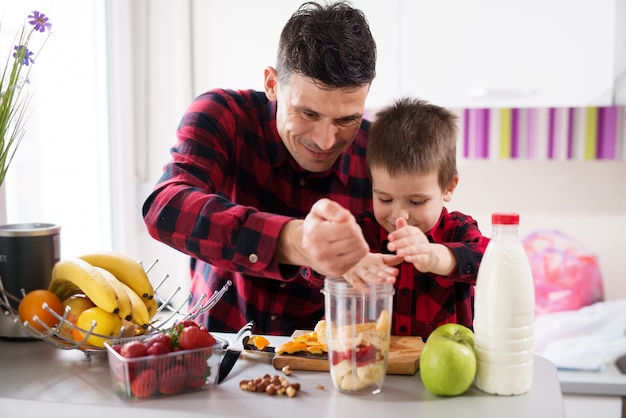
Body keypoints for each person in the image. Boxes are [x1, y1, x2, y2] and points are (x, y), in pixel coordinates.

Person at [142, 1, 377, 335]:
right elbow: (165, 207)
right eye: (307, 114)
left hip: (320, 369)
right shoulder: (224, 115)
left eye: (347, 120)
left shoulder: (378, 155)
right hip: (214, 347)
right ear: (272, 84)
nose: (326, 141)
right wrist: (294, 241)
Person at [342, 97, 490, 339]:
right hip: (372, 368)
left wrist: (435, 256)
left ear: (449, 187)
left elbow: (492, 263)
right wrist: (345, 262)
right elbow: (309, 270)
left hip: (445, 372)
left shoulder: (458, 229)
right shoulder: (360, 232)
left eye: (417, 201)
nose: (399, 216)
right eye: (385, 199)